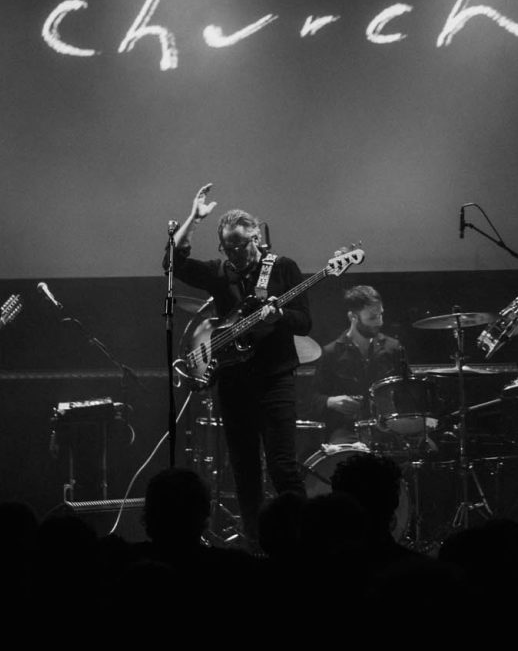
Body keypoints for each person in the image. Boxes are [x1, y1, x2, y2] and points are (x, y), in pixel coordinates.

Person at [165, 182, 312, 545]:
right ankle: (256, 544)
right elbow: (172, 263)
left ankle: (304, 542)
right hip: (233, 382)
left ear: (257, 239)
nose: (234, 253)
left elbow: (304, 322)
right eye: (227, 246)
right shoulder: (219, 272)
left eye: (240, 245)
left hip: (275, 379)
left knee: (282, 467)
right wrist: (194, 219)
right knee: (244, 471)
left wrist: (277, 317)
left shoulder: (282, 268)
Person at [312, 285, 407, 444]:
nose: (379, 322)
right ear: (352, 317)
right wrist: (331, 401)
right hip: (347, 429)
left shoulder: (393, 348)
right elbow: (313, 399)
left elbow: (409, 390)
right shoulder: (331, 352)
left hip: (389, 427)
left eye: (381, 315)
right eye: (372, 318)